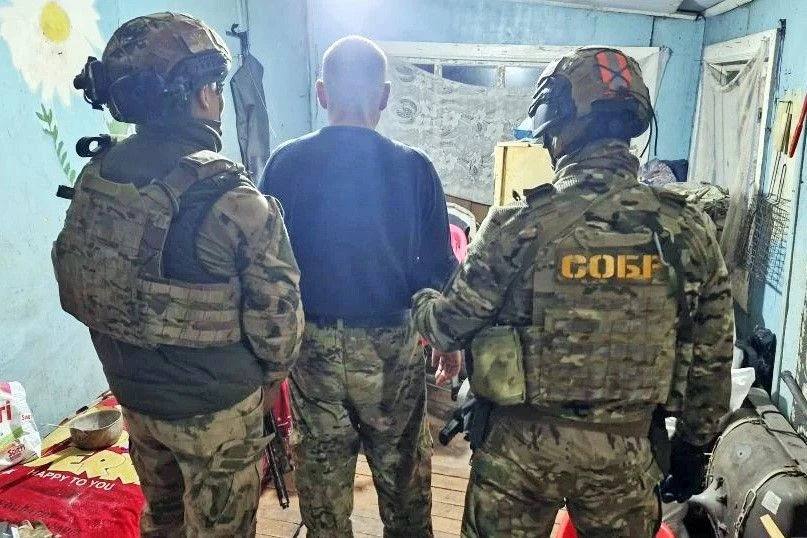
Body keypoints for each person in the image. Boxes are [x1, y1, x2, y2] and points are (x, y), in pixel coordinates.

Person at [412, 47, 734, 537]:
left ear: (556, 124)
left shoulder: (516, 225)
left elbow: (448, 327)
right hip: (625, 459)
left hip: (518, 456)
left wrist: (419, 295)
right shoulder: (687, 229)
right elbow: (713, 355)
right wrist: (693, 448)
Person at [52, 12, 304, 537]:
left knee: (162, 519)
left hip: (134, 399)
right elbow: (280, 326)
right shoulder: (232, 197)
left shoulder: (98, 175)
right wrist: (268, 384)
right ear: (203, 94)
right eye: (216, 87)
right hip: (216, 412)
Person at [259, 35, 459, 538]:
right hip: (392, 349)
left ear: (322, 93)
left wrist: (267, 356)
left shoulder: (284, 163)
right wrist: (448, 340)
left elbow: (264, 268)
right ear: (385, 96)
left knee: (323, 491)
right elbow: (438, 269)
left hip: (311, 349)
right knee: (405, 487)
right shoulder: (415, 168)